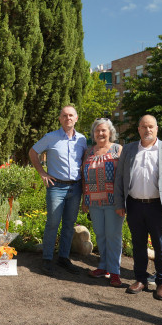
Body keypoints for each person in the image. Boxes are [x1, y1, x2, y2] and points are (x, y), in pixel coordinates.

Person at [114, 115, 162, 300]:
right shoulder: (129, 149)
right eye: (144, 127)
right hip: (134, 205)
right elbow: (120, 178)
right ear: (138, 129)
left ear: (157, 128)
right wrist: (119, 203)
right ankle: (140, 278)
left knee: (161, 246)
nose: (148, 130)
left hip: (158, 207)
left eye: (151, 126)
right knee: (138, 244)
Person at [29, 105, 87, 275]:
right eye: (64, 115)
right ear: (60, 119)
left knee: (69, 224)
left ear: (76, 118)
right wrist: (42, 172)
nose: (68, 118)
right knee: (53, 223)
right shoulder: (50, 137)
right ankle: (47, 258)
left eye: (71, 115)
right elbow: (33, 152)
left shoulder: (82, 140)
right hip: (56, 187)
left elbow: (83, 163)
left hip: (75, 187)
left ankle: (63, 258)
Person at [81, 118, 124, 287]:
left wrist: (123, 202)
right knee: (100, 235)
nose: (100, 133)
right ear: (93, 134)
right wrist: (85, 199)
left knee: (113, 236)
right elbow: (83, 177)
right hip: (94, 201)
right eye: (97, 131)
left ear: (110, 132)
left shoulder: (118, 149)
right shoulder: (89, 152)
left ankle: (114, 272)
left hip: (114, 201)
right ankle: (103, 266)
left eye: (104, 130)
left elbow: (123, 177)